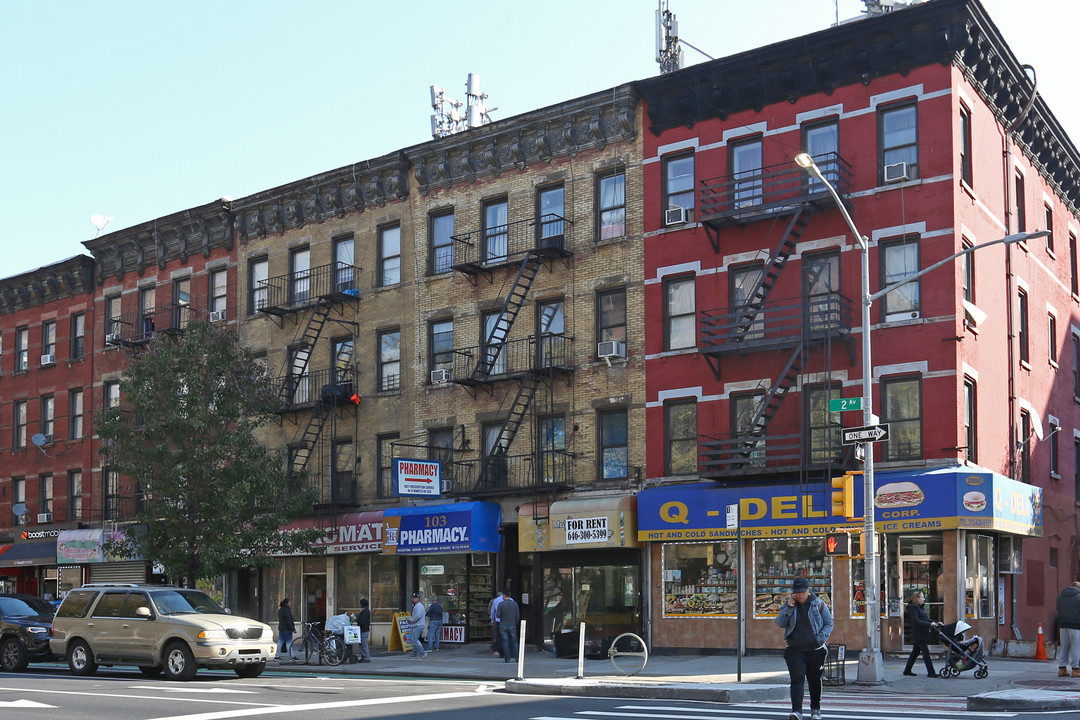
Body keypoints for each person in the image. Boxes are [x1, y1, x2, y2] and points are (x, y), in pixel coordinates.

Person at [774, 576, 833, 720]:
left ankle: (815, 710)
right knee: (797, 679)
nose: (800, 595)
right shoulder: (788, 604)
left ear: (808, 590)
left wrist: (819, 639)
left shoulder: (818, 604)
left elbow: (829, 623)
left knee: (814, 680)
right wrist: (788, 607)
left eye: (803, 592)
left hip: (815, 650)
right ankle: (797, 711)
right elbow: (780, 623)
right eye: (797, 592)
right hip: (795, 649)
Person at [903, 590, 940, 677]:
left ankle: (907, 670)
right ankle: (931, 672)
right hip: (919, 634)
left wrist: (936, 622)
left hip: (923, 633)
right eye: (922, 597)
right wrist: (929, 624)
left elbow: (926, 619)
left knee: (915, 652)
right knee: (926, 653)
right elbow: (916, 621)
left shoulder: (921, 608)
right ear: (917, 598)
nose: (924, 599)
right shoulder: (912, 608)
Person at [1056, 581, 1080, 677]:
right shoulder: (1078, 597)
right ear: (1078, 589)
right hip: (1076, 626)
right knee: (1076, 648)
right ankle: (1075, 670)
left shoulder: (1060, 597)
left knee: (1064, 647)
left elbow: (1058, 609)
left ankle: (1062, 669)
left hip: (1062, 625)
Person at [495, 589, 520, 663]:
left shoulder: (501, 604)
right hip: (512, 624)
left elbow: (498, 615)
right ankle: (517, 657)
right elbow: (517, 615)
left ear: (503, 595)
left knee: (505, 642)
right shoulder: (515, 604)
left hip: (503, 625)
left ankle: (507, 658)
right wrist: (514, 622)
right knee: (514, 641)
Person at [407, 593, 428, 659]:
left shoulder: (418, 606)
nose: (413, 599)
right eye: (413, 597)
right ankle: (414, 652)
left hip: (418, 625)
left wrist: (411, 620)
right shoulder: (418, 606)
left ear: (418, 599)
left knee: (415, 639)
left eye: (415, 598)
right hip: (419, 625)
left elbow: (418, 615)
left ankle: (423, 652)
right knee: (415, 639)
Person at [489, 592, 504, 656]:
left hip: (497, 621)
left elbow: (492, 611)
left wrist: (493, 620)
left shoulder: (494, 601)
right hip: (507, 621)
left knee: (497, 636)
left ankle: (497, 649)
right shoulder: (510, 600)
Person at [356, 598, 371, 663]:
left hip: (363, 630)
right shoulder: (366, 611)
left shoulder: (364, 612)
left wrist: (356, 619)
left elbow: (362, 621)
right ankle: (364, 656)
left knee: (363, 643)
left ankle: (366, 657)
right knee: (362, 644)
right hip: (364, 629)